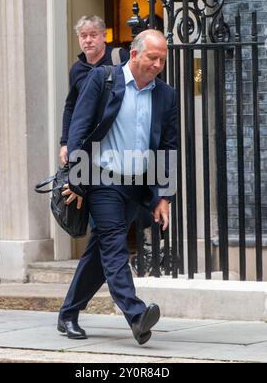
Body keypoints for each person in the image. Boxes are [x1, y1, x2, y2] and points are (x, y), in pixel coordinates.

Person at [58, 30, 178, 346]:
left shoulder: (165, 95)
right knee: (114, 246)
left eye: (162, 59)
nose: (158, 64)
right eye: (153, 57)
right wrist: (76, 176)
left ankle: (68, 313)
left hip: (135, 185)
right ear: (135, 53)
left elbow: (168, 147)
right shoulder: (103, 80)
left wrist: (163, 196)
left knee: (99, 253)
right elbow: (80, 125)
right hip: (102, 180)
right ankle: (136, 315)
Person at [59, 15, 129, 165]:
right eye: (83, 36)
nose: (88, 40)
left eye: (93, 35)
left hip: (118, 136)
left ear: (104, 36)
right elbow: (71, 107)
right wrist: (65, 142)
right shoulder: (76, 69)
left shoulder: (118, 57)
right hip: (87, 140)